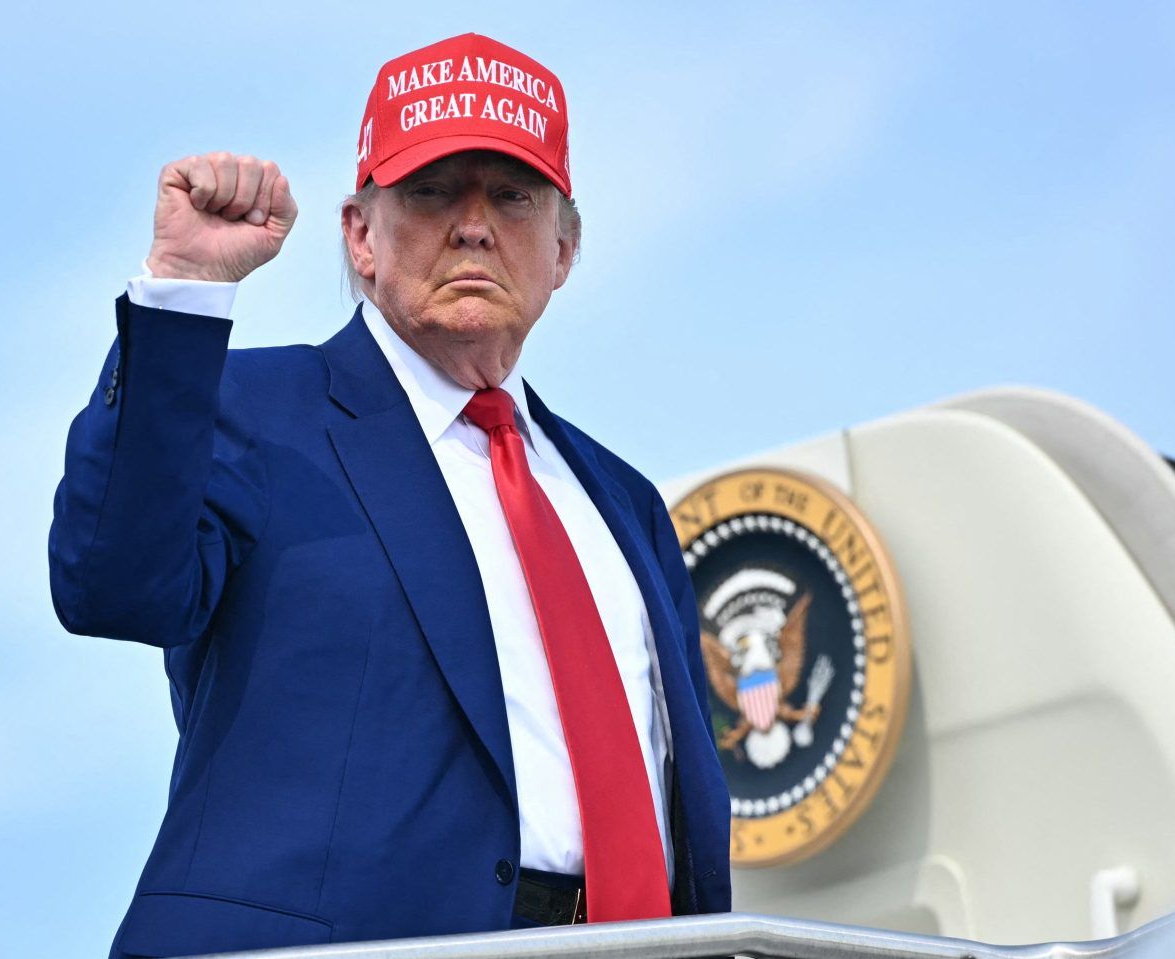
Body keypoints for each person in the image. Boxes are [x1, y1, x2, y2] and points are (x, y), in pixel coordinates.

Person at [48, 33, 730, 959]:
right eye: (434, 190)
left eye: (514, 195)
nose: (475, 224)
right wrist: (185, 294)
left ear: (564, 248)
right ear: (361, 235)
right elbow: (113, 584)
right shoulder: (248, 410)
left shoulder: (625, 504)